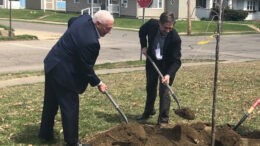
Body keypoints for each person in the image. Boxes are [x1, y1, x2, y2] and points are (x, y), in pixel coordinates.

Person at [39, 10, 114, 146]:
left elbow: (71, 21)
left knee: (50, 102)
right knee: (70, 108)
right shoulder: (91, 42)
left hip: (52, 63)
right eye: (107, 28)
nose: (110, 32)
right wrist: (98, 83)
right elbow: (86, 68)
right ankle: (73, 142)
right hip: (63, 72)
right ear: (98, 24)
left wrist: (72, 40)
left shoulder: (85, 18)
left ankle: (45, 134)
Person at [137, 12, 182, 125]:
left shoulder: (175, 38)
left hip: (167, 66)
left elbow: (177, 61)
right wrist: (143, 46)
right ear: (159, 23)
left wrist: (168, 75)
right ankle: (149, 111)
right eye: (165, 28)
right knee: (150, 86)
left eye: (170, 28)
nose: (167, 30)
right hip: (152, 61)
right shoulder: (152, 24)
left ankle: (163, 120)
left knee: (164, 92)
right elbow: (142, 31)